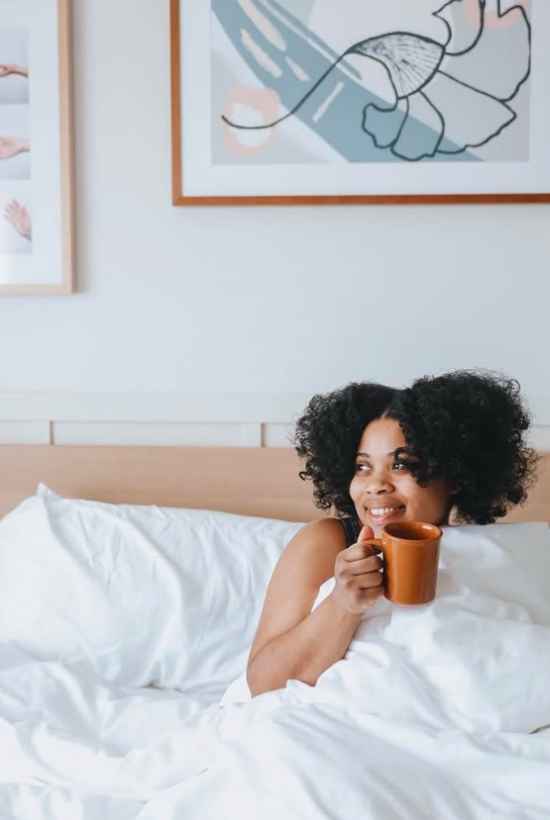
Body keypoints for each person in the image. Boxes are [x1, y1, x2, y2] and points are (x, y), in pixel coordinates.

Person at [247, 370, 539, 697]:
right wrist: (343, 603)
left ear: (454, 475)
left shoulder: (487, 554)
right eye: (362, 467)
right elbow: (262, 684)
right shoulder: (326, 543)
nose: (376, 484)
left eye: (401, 465)